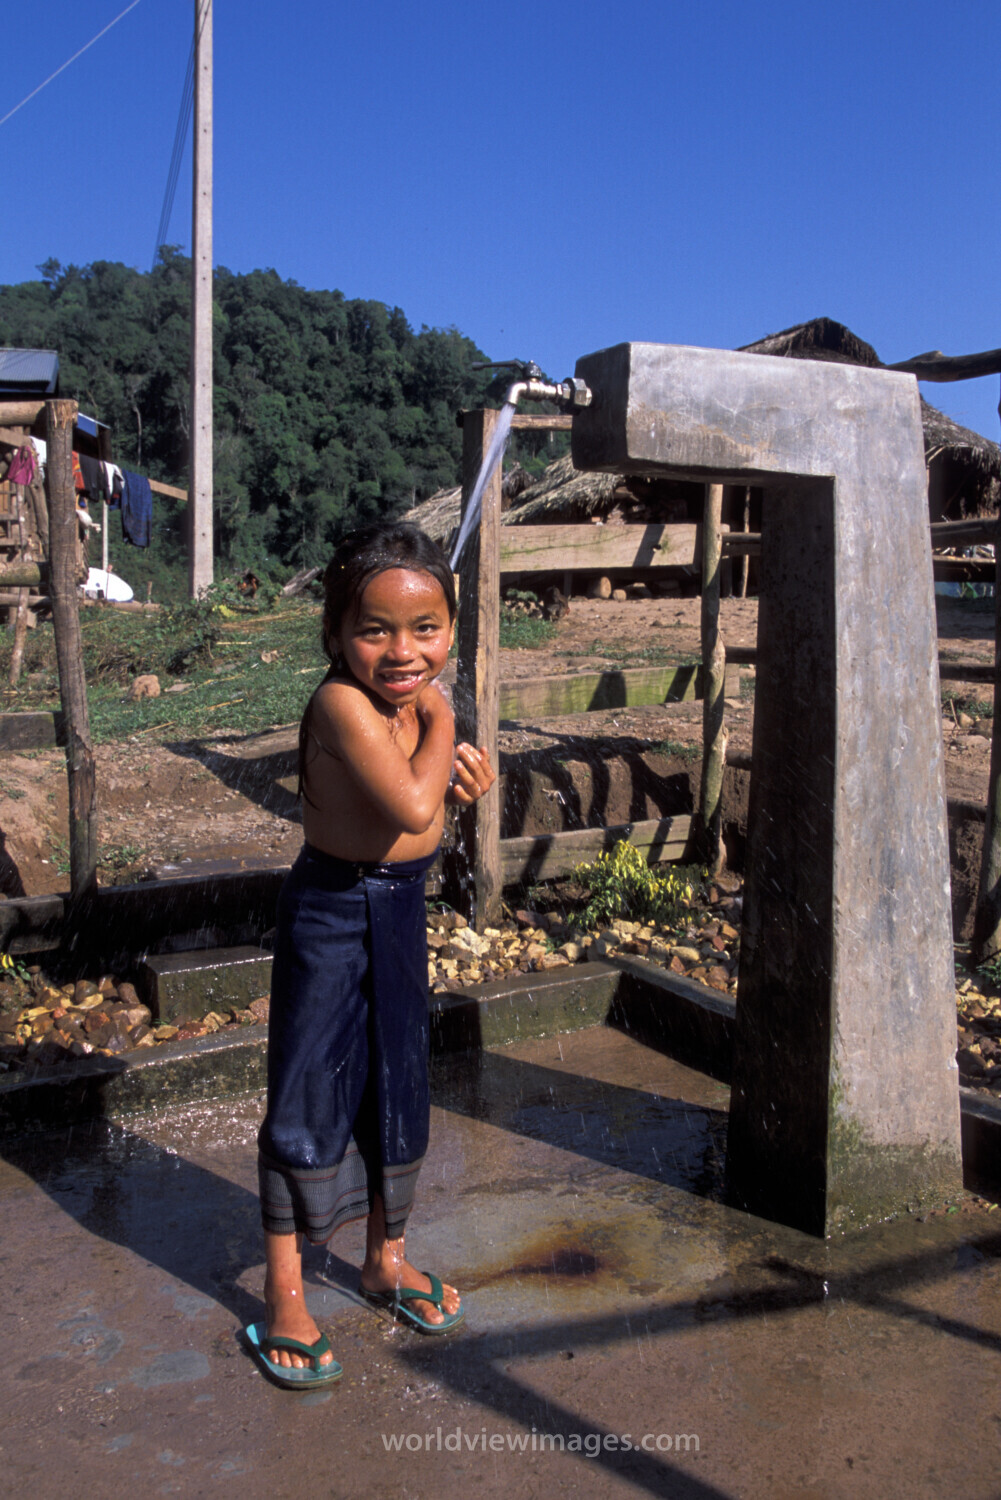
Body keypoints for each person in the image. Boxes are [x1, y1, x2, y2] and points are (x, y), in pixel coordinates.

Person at [245, 522, 495, 1389]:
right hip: (331, 912)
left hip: (396, 910)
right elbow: (413, 807)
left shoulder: (404, 705)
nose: (401, 650)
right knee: (309, 1090)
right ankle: (284, 1292)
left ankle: (385, 1260)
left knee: (396, 1084)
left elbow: (427, 813)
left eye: (423, 628)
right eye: (373, 629)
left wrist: (458, 777)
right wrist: (443, 721)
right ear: (334, 635)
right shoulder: (343, 705)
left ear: (450, 628)